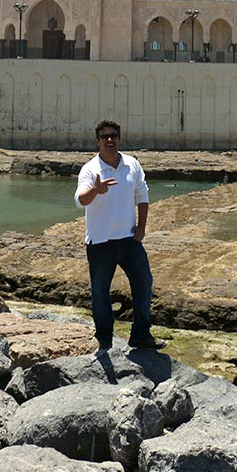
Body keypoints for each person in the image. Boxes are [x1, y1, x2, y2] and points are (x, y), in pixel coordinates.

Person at [74, 119, 161, 352]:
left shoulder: (132, 164)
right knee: (100, 292)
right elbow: (80, 200)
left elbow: (143, 194)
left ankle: (141, 334)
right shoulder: (90, 169)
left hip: (129, 240)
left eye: (113, 136)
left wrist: (142, 228)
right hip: (100, 241)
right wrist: (96, 190)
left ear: (119, 139)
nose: (109, 140)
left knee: (144, 283)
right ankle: (104, 338)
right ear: (98, 141)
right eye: (104, 137)